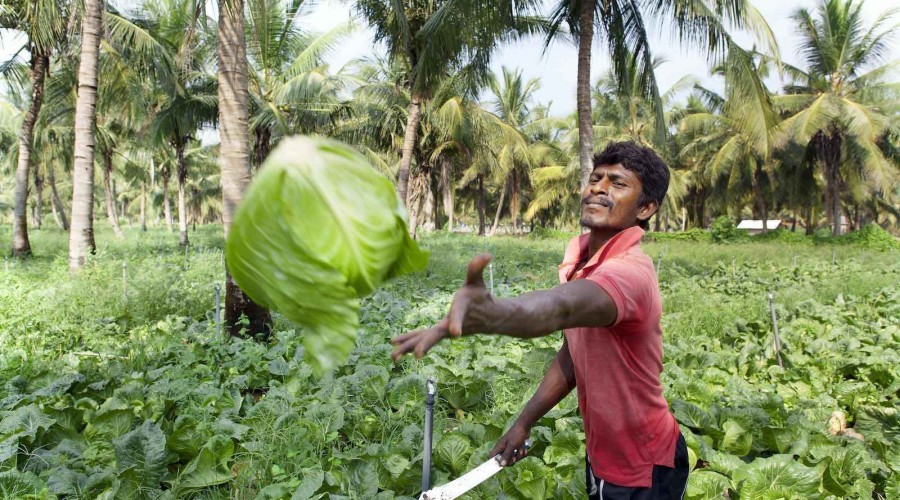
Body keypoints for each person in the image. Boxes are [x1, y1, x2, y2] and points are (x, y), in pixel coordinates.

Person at [390, 141, 689, 499]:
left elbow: (556, 308)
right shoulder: (584, 263)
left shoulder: (628, 274)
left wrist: (494, 314)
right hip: (604, 454)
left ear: (646, 207)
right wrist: (523, 423)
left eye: (617, 183)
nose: (599, 188)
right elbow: (572, 356)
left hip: (642, 465)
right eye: (596, 178)